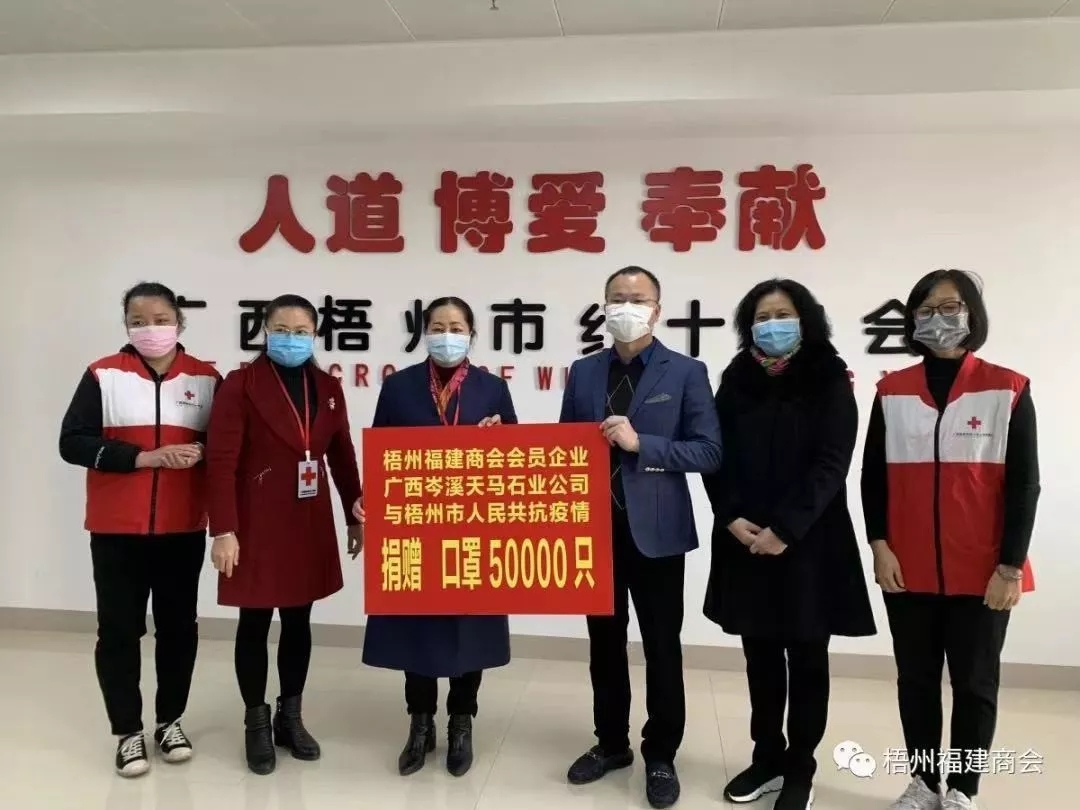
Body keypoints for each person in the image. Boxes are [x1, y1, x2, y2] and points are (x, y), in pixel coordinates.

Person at [861, 269, 1039, 810]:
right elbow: (872, 478)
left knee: (975, 684)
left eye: (950, 306)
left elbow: (1025, 484)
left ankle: (963, 789)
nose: (937, 318)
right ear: (912, 320)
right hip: (907, 567)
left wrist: (1010, 567)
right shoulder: (892, 391)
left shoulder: (1007, 388)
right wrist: (879, 545)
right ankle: (923, 782)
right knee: (915, 681)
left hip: (984, 570)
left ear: (971, 314)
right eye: (925, 309)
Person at [702, 279, 876, 810]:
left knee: (807, 659)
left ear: (805, 319)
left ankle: (801, 766)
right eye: (761, 316)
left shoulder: (829, 376)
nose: (771, 325)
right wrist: (730, 516)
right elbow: (715, 454)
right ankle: (766, 757)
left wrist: (786, 529)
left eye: (782, 314)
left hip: (809, 544)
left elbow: (832, 463)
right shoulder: (737, 378)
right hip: (745, 540)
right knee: (759, 657)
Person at [558, 266, 722, 809]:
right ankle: (611, 744)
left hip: (657, 533)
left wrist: (640, 443)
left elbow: (708, 451)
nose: (626, 307)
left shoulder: (686, 371)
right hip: (594, 532)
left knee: (661, 646)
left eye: (638, 298)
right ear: (603, 306)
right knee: (604, 646)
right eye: (617, 298)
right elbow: (563, 449)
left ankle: (661, 754)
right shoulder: (584, 372)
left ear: (657, 308)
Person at [59, 282, 220, 777]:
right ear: (126, 325)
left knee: (179, 630)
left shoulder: (206, 378)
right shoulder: (103, 374)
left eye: (161, 319)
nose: (151, 329)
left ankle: (170, 721)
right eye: (138, 321)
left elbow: (227, 444)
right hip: (116, 530)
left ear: (180, 322)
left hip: (182, 528)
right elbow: (72, 442)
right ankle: (127, 731)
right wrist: (142, 458)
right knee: (118, 631)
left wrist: (203, 451)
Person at [358, 296, 517, 778]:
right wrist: (368, 500)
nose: (448, 335)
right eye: (438, 326)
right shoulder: (399, 386)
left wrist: (499, 438)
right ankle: (420, 722)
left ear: (472, 334)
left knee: (471, 626)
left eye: (457, 326)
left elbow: (516, 461)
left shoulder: (492, 388)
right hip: (415, 527)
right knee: (417, 626)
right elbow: (382, 453)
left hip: (474, 528)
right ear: (424, 332)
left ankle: (462, 720)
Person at [205, 294, 363, 776]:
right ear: (265, 332)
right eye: (281, 330)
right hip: (254, 521)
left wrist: (354, 514)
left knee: (299, 621)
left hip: (307, 520)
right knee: (254, 622)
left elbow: (342, 453)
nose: (290, 339)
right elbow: (221, 461)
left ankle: (289, 717)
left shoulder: (327, 387)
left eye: (300, 332)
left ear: (314, 335)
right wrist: (223, 529)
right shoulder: (240, 384)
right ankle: (255, 722)